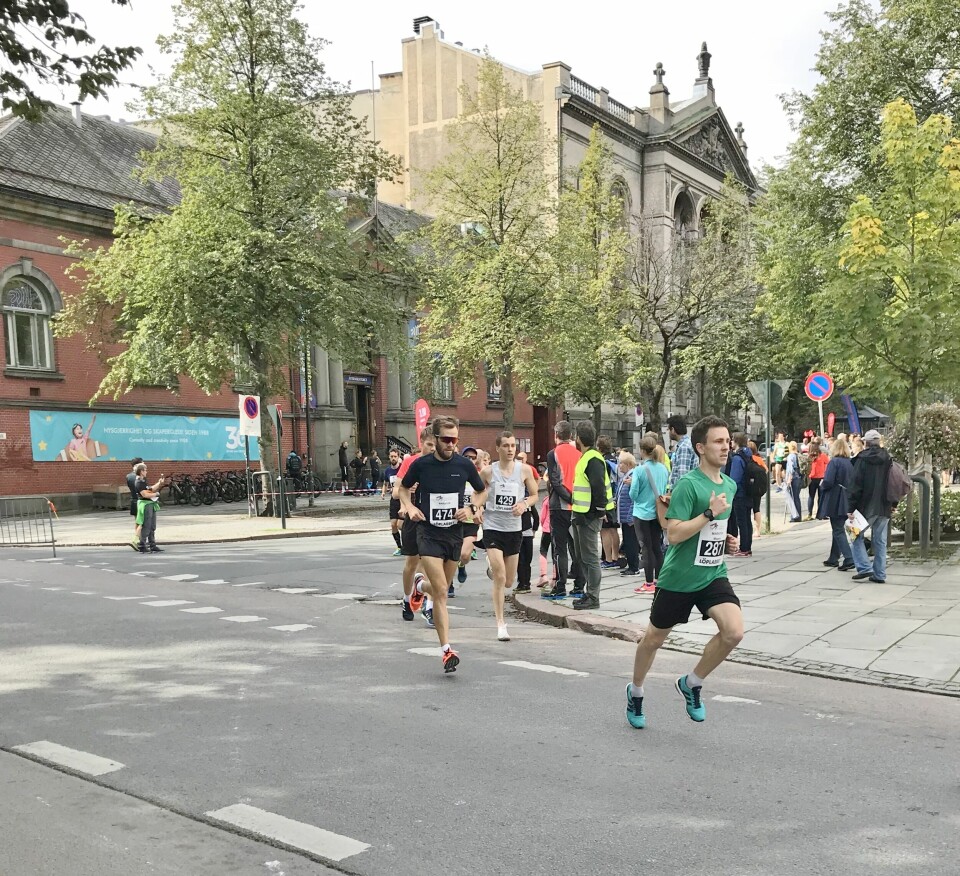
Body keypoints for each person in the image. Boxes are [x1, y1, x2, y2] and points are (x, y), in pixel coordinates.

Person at [625, 416, 743, 730]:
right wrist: (708, 513)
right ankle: (635, 691)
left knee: (734, 632)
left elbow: (712, 529)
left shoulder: (729, 484)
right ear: (701, 448)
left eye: (727, 440)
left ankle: (691, 683)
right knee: (653, 640)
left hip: (712, 573)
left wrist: (726, 542)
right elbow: (674, 534)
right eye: (718, 441)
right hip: (678, 577)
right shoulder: (689, 485)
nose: (726, 446)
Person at [398, 416, 488, 672]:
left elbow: (482, 491)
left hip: (453, 533)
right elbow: (403, 489)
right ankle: (446, 650)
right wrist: (410, 506)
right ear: (435, 440)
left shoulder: (463, 465)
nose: (451, 444)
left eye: (455, 440)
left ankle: (418, 584)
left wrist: (471, 507)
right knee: (440, 591)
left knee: (441, 588)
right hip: (427, 532)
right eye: (446, 440)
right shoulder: (421, 464)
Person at [479, 432, 539, 639]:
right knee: (500, 576)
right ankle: (500, 623)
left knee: (509, 581)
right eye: (505, 446)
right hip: (492, 526)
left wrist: (523, 504)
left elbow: (534, 495)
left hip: (514, 529)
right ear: (498, 449)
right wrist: (477, 509)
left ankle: (492, 566)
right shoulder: (488, 472)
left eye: (513, 445)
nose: (510, 449)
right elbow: (477, 493)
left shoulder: (524, 471)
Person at [570, 420, 614, 611]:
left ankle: (593, 596)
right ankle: (589, 594)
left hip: (588, 516)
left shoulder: (592, 459)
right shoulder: (588, 457)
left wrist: (599, 511)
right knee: (582, 556)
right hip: (582, 514)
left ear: (578, 439)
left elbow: (598, 488)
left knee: (589, 557)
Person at [394, 429, 435, 622]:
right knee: (411, 563)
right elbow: (397, 491)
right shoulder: (411, 462)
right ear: (421, 444)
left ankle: (429, 605)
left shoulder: (440, 463)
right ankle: (406, 597)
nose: (433, 449)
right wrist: (406, 504)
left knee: (429, 561)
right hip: (413, 516)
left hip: (432, 519)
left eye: (436, 445)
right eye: (429, 445)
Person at [542, 421, 583, 601]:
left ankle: (560, 586)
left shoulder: (553, 454)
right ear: (571, 436)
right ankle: (579, 586)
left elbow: (555, 481)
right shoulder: (579, 454)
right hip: (577, 507)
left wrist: (567, 498)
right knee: (576, 548)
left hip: (559, 506)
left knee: (559, 549)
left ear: (556, 435)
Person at [847, 429, 893, 583]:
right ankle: (879, 574)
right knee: (880, 541)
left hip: (865, 506)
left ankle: (864, 567)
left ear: (865, 443)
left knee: (854, 534)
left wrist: (850, 508)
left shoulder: (861, 460)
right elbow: (894, 482)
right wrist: (893, 503)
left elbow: (855, 486)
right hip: (884, 505)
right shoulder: (888, 459)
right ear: (879, 441)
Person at [629, 435, 669, 593]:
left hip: (642, 513)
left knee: (646, 548)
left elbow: (633, 494)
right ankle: (659, 580)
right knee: (657, 547)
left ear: (642, 450)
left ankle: (648, 582)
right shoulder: (663, 468)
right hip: (658, 513)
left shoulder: (639, 470)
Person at [818, 437, 854, 571]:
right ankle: (834, 557)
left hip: (836, 498)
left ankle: (849, 558)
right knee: (839, 528)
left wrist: (822, 486)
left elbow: (828, 481)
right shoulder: (850, 463)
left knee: (838, 529)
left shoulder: (834, 462)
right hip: (848, 498)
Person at [452, 445, 482, 596]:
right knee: (449, 554)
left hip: (470, 522)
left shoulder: (478, 477)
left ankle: (462, 566)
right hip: (454, 520)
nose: (470, 460)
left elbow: (483, 497)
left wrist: (479, 512)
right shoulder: (454, 474)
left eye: (473, 457)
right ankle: (449, 583)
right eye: (467, 457)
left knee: (464, 555)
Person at [515, 450, 540, 594]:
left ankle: (525, 583)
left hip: (526, 532)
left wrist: (535, 528)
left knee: (525, 560)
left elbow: (535, 515)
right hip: (521, 532)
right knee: (521, 560)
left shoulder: (527, 502)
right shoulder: (523, 501)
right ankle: (522, 583)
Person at [728, 432, 755, 558]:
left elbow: (734, 479)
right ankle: (747, 547)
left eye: (732, 440)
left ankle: (743, 548)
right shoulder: (748, 455)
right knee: (747, 521)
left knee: (741, 522)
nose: (731, 442)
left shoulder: (737, 458)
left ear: (736, 441)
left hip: (739, 494)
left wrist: (730, 492)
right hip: (749, 492)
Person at [597, 435, 622, 569]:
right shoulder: (615, 460)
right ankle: (615, 556)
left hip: (606, 499)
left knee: (604, 530)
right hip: (615, 498)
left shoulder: (602, 461)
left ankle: (608, 559)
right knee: (614, 529)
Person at [616, 451, 640, 578]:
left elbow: (633, 499)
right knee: (628, 540)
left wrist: (631, 516)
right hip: (625, 516)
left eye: (622, 463)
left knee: (631, 542)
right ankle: (631, 566)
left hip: (628, 517)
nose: (619, 466)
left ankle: (633, 567)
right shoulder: (626, 477)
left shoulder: (632, 477)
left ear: (629, 464)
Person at [134, 462, 168, 553]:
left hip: (150, 504)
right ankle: (142, 544)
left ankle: (152, 544)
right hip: (145, 504)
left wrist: (159, 483)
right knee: (147, 525)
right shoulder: (139, 482)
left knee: (152, 526)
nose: (146, 472)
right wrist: (156, 494)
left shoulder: (143, 481)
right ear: (141, 471)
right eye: (145, 470)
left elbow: (150, 489)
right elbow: (144, 494)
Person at [667, 415, 698, 491]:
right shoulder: (689, 443)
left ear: (673, 430)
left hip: (681, 493)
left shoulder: (684, 447)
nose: (668, 432)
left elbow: (683, 475)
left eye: (668, 429)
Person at [383, 448, 403, 554]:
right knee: (393, 524)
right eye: (391, 456)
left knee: (401, 525)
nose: (393, 458)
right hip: (393, 500)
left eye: (395, 456)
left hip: (403, 499)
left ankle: (408, 544)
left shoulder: (402, 468)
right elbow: (385, 483)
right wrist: (383, 492)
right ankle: (399, 547)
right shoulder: (387, 471)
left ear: (398, 457)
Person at [747, 440, 767, 534]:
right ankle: (757, 530)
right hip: (758, 488)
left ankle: (750, 530)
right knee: (756, 509)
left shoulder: (750, 459)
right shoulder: (759, 459)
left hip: (750, 487)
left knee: (748, 509)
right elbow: (766, 470)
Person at [806, 441, 828, 520]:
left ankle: (809, 514)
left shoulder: (809, 457)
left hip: (811, 478)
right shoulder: (822, 456)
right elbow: (828, 464)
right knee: (821, 496)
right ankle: (821, 514)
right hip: (821, 478)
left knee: (811, 496)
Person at [126, 456, 144, 551]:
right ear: (137, 465)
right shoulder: (138, 476)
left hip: (133, 500)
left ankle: (139, 541)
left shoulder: (128, 476)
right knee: (143, 522)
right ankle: (137, 540)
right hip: (140, 501)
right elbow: (142, 489)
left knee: (137, 522)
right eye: (142, 464)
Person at [784, 441, 802, 522]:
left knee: (792, 498)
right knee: (797, 497)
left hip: (793, 478)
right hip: (799, 478)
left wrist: (789, 479)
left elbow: (791, 468)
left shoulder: (791, 456)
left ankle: (794, 516)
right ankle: (799, 516)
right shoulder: (798, 455)